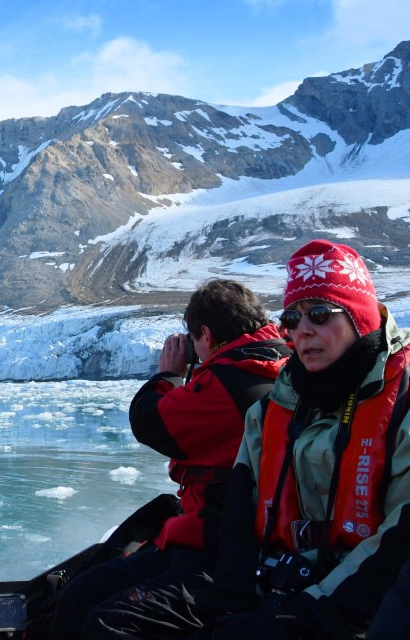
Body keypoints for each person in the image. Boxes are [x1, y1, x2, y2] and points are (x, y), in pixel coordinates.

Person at [45, 279, 291, 638]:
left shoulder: (229, 380)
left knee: (101, 615)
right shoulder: (273, 365)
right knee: (84, 592)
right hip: (217, 535)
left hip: (215, 549)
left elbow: (149, 421)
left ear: (205, 333)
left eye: (193, 338)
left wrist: (168, 375)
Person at [197, 240, 410, 639]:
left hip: (361, 608)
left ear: (360, 317)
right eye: (291, 318)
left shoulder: (403, 398)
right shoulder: (277, 403)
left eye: (319, 313)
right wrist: (230, 604)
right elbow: (239, 518)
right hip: (281, 589)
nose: (303, 330)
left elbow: (402, 541)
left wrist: (308, 615)